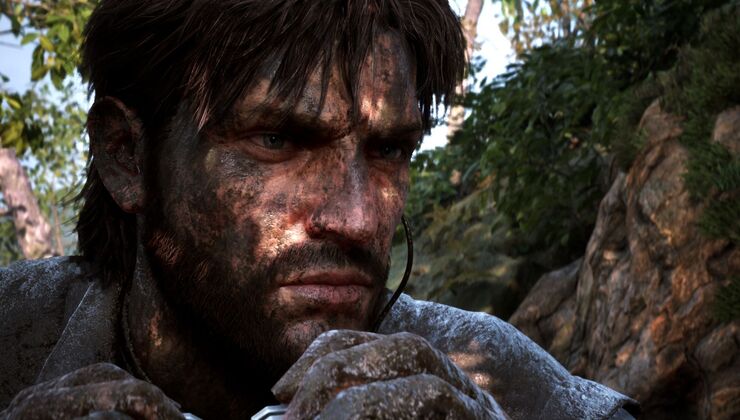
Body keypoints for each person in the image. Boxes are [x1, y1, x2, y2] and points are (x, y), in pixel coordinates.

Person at [0, 1, 639, 418]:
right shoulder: (14, 335)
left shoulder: (493, 378)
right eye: (277, 140)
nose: (357, 220)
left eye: (388, 150)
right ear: (127, 157)